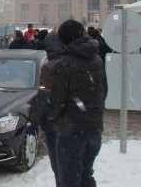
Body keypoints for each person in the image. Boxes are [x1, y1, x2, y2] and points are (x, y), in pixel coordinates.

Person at [47, 19, 106, 187]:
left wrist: (49, 116)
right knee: (86, 176)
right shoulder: (97, 59)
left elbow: (56, 102)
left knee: (69, 180)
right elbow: (104, 91)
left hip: (71, 131)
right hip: (94, 128)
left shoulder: (64, 64)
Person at [27, 31, 65, 186]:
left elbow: (43, 97)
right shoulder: (71, 63)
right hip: (74, 124)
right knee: (75, 169)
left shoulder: (49, 67)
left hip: (53, 125)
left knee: (59, 167)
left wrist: (33, 122)